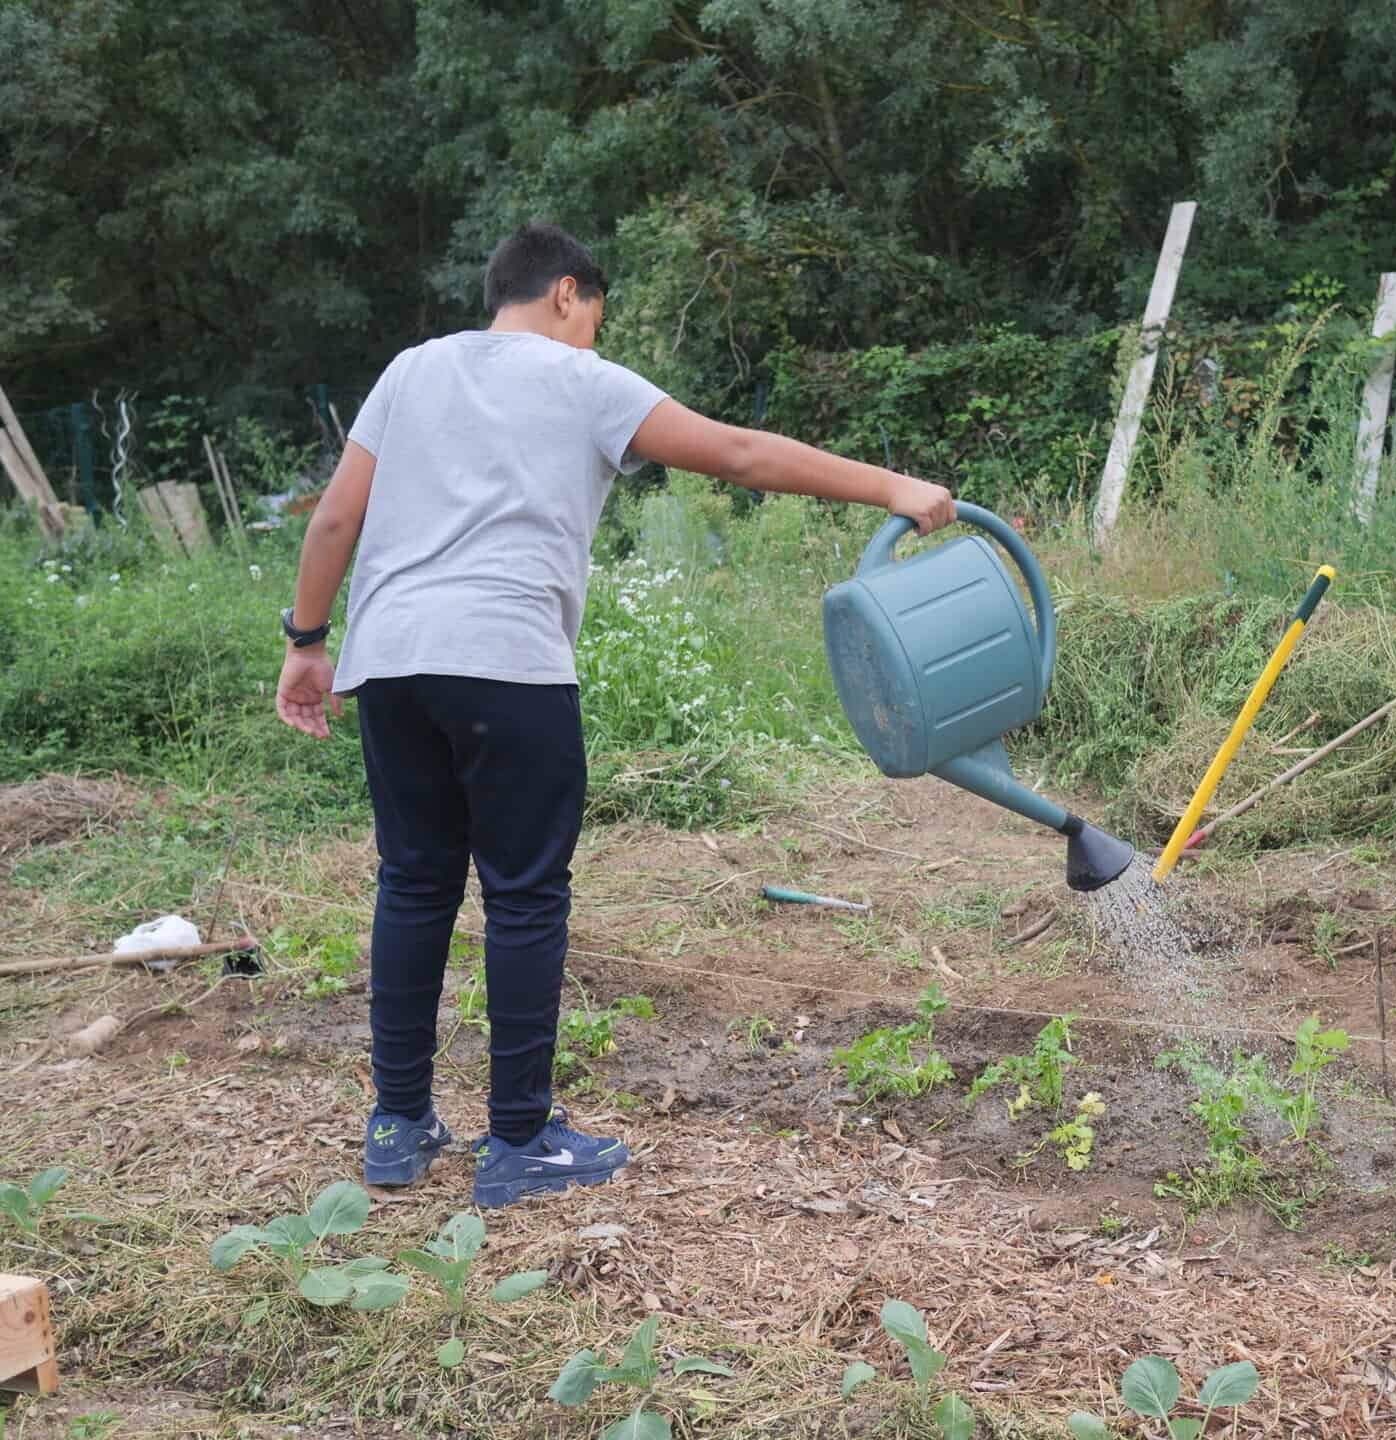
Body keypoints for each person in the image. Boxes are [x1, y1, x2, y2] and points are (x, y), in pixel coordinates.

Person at [275, 222, 954, 1209]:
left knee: (415, 884)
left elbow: (337, 515)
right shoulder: (582, 380)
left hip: (392, 665)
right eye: (594, 313)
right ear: (564, 294)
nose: (593, 332)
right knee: (523, 894)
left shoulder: (412, 370)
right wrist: (895, 485)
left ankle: (399, 1124)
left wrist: (304, 641)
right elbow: (739, 453)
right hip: (507, 663)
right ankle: (517, 1144)